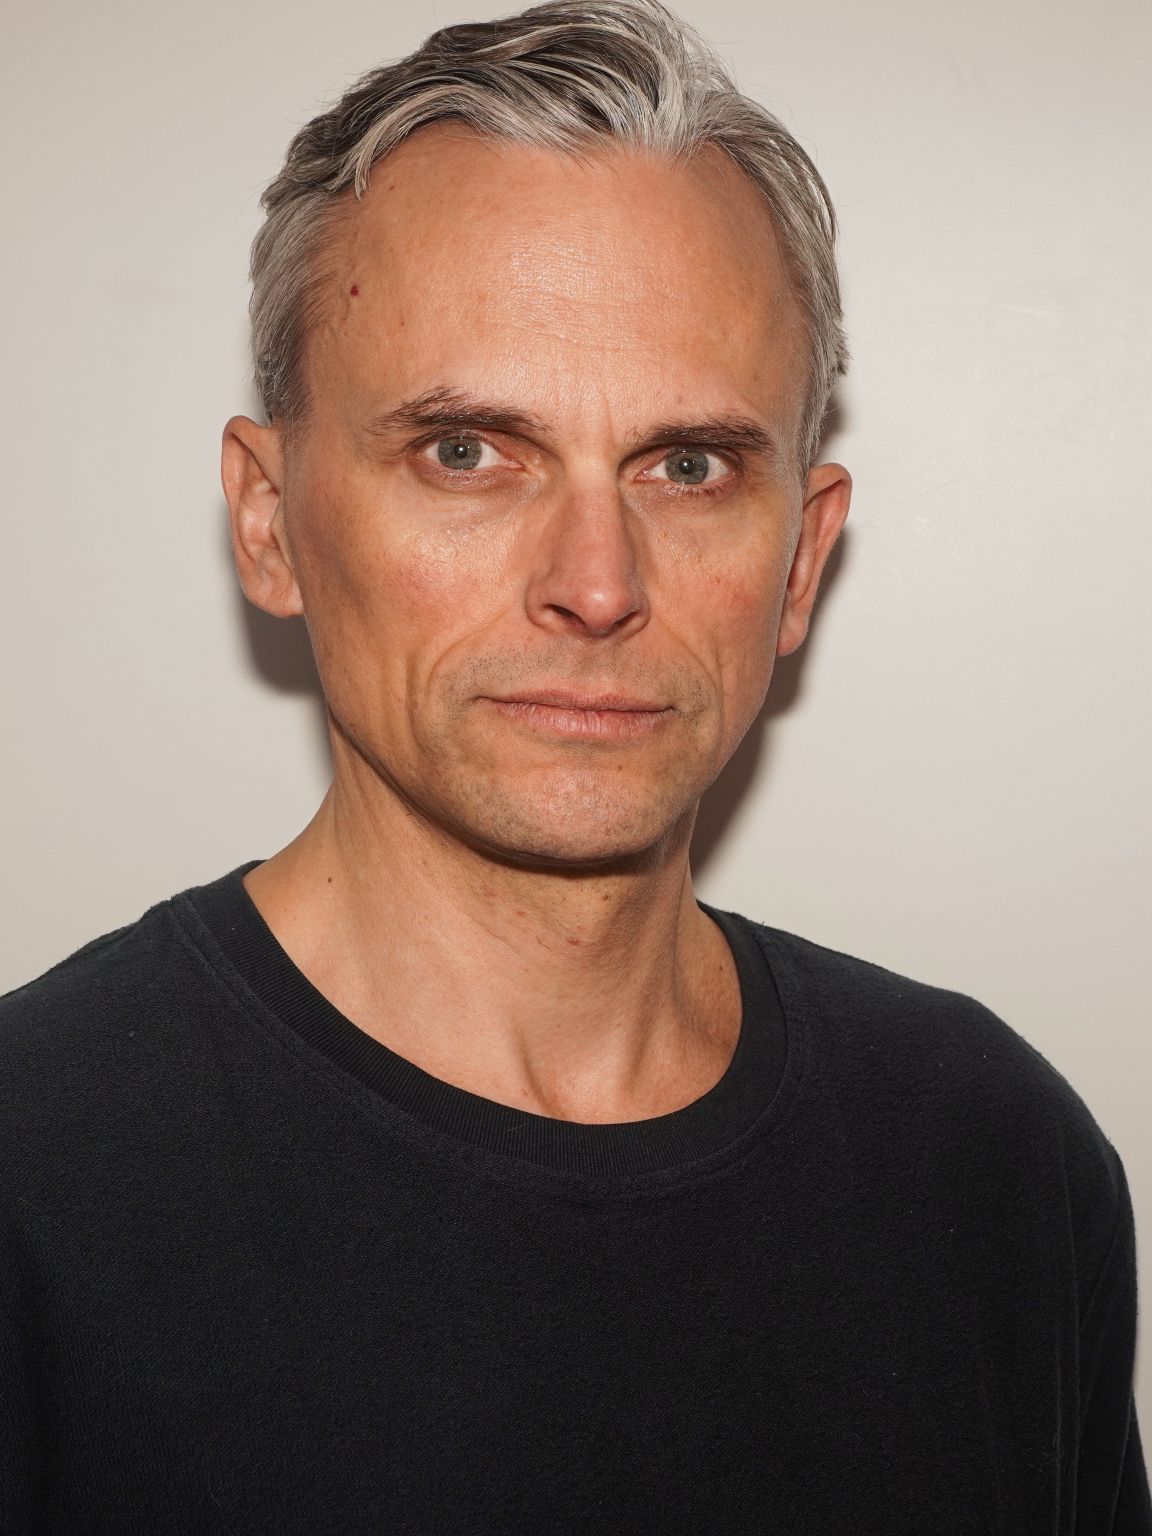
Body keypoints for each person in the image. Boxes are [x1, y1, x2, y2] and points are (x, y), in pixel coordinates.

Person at [1, 0, 1147, 1529]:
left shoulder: (994, 1162)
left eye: (689, 466)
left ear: (802, 561)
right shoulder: (36, 1181)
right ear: (268, 521)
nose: (596, 584)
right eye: (467, 452)